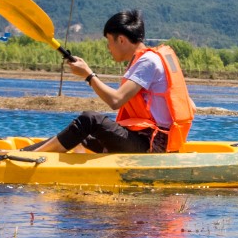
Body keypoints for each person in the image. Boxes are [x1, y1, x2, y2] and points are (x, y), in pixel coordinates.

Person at [27, 9, 194, 154]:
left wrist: (89, 75)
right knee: (81, 134)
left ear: (121, 40)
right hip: (147, 139)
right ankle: (24, 153)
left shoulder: (148, 61)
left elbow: (115, 101)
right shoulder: (148, 60)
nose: (108, 48)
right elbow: (190, 106)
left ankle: (29, 158)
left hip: (151, 145)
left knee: (90, 119)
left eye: (109, 41)